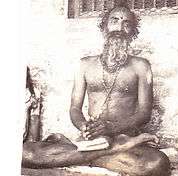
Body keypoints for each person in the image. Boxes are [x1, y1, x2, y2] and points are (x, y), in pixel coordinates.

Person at [22, 4, 170, 176]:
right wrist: (84, 126)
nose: (120, 28)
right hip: (93, 140)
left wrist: (112, 127)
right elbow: (75, 108)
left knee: (158, 164)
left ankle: (76, 153)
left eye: (127, 24)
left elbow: (145, 113)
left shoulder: (141, 66)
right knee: (25, 153)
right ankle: (108, 153)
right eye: (114, 21)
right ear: (104, 26)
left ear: (132, 32)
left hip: (126, 136)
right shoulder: (85, 64)